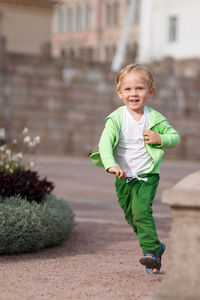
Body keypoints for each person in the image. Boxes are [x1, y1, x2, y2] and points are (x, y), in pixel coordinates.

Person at [89, 64, 180, 274]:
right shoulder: (117, 118)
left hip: (147, 176)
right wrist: (111, 164)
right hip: (123, 177)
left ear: (150, 92)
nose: (134, 93)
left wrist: (161, 138)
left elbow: (175, 138)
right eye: (128, 89)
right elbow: (104, 144)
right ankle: (157, 246)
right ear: (119, 93)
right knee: (131, 216)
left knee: (141, 212)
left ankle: (151, 254)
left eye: (139, 88)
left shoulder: (155, 118)